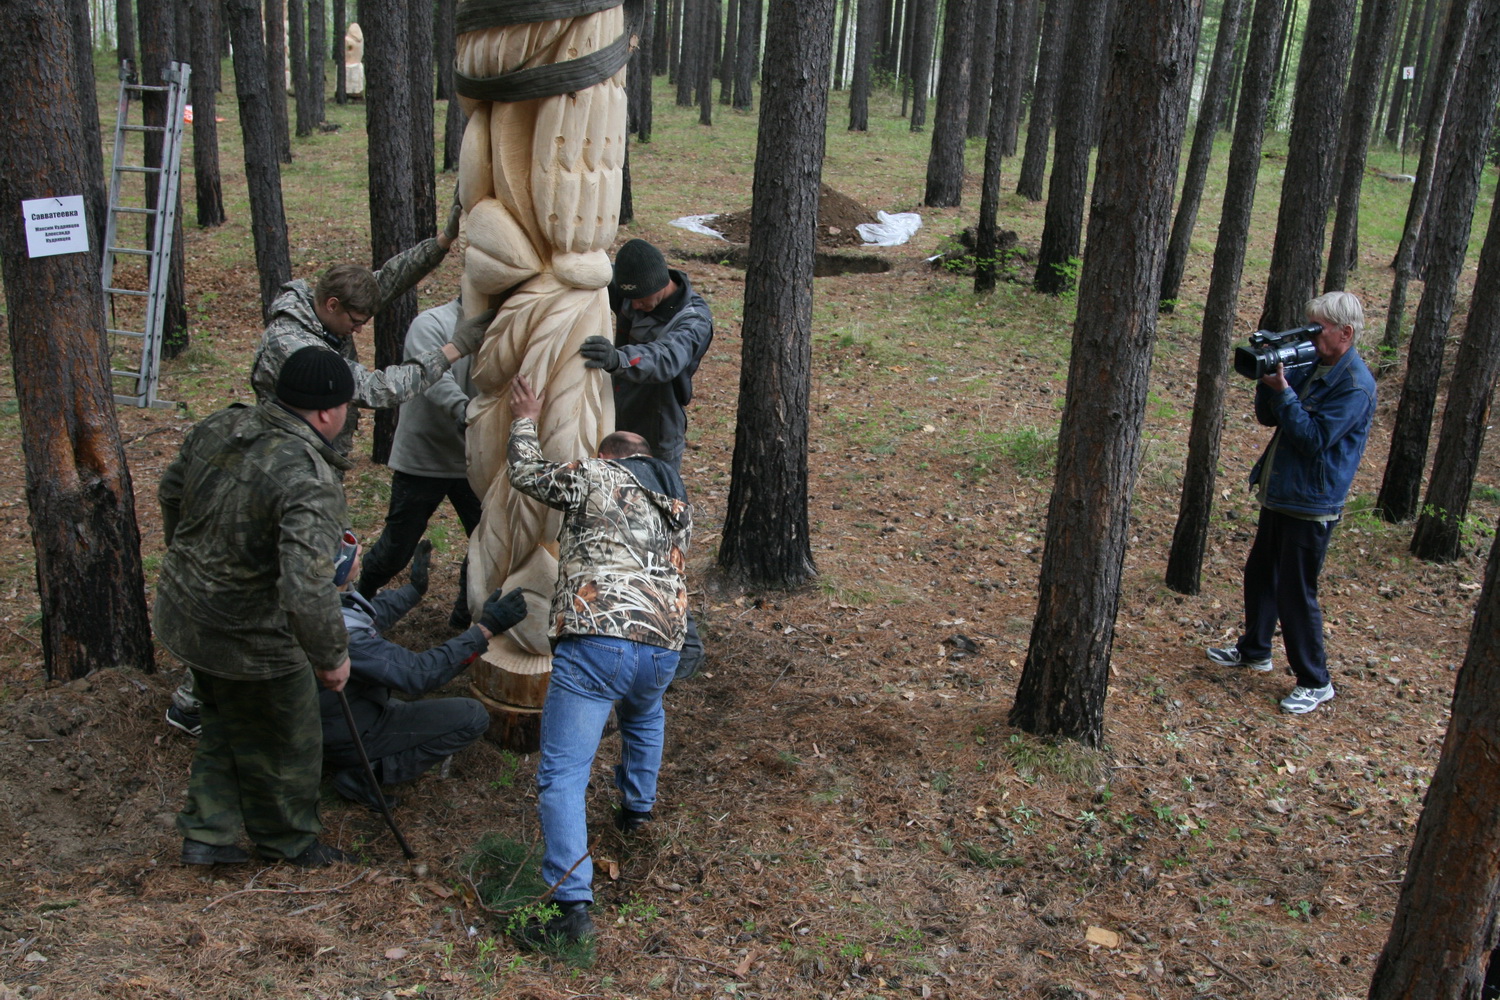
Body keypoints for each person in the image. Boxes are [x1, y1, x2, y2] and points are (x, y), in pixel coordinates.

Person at [505, 374, 692, 947]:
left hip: (598, 637)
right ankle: (637, 808)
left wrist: (525, 418)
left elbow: (526, 474)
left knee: (561, 773)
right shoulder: (679, 505)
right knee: (644, 713)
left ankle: (570, 902)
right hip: (663, 645)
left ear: (607, 456)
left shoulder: (595, 475)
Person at [156, 347, 358, 868]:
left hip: (187, 613)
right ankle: (287, 842)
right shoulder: (309, 477)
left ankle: (207, 834)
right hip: (249, 635)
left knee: (224, 719)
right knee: (289, 738)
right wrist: (331, 655)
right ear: (325, 413)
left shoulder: (221, 426)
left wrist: (193, 555)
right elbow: (305, 586)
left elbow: (171, 490)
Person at [1206, 291, 1377, 715]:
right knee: (1261, 574)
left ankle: (1315, 680)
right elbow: (1271, 417)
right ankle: (1255, 650)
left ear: (1346, 332)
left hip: (1312, 502)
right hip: (1283, 492)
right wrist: (1272, 379)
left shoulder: (1355, 385)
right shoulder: (1316, 364)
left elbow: (1314, 440)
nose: (1312, 336)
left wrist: (1284, 392)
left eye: (1319, 329)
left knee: (1295, 592)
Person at [248, 201, 495, 455]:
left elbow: (390, 279)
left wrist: (444, 240)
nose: (357, 331)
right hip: (289, 456)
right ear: (332, 304)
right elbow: (376, 389)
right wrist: (455, 348)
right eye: (355, 322)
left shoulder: (323, 310)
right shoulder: (294, 345)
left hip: (319, 448)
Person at [578, 239, 712, 679]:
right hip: (613, 426)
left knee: (656, 545)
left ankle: (686, 645)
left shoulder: (693, 317)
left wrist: (618, 358)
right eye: (627, 297)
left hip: (656, 439)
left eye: (641, 299)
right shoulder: (629, 292)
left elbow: (667, 358)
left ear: (662, 285)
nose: (632, 306)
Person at [323, 537, 528, 811]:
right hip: (344, 730)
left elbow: (366, 615)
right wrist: (486, 628)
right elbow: (419, 675)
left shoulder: (316, 602)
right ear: (335, 570)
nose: (360, 551)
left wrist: (414, 590)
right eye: (351, 555)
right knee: (472, 716)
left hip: (335, 715)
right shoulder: (342, 635)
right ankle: (365, 772)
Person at [355, 299, 484, 629]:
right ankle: (358, 600)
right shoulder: (431, 324)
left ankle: (463, 618)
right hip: (423, 458)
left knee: (486, 543)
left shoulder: (512, 321)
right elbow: (430, 379)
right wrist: (462, 409)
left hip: (476, 461)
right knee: (396, 549)